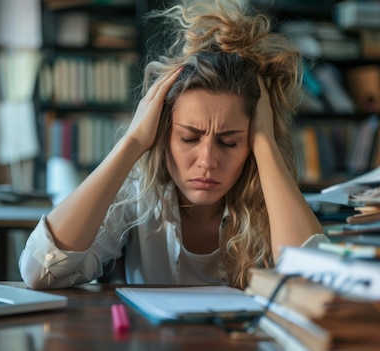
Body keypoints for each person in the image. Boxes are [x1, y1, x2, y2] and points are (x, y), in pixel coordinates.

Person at [19, 0, 327, 290]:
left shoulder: (268, 201)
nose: (207, 160)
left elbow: (315, 286)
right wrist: (133, 141)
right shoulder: (138, 193)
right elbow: (39, 272)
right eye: (189, 138)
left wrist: (265, 144)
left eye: (230, 142)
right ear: (164, 133)